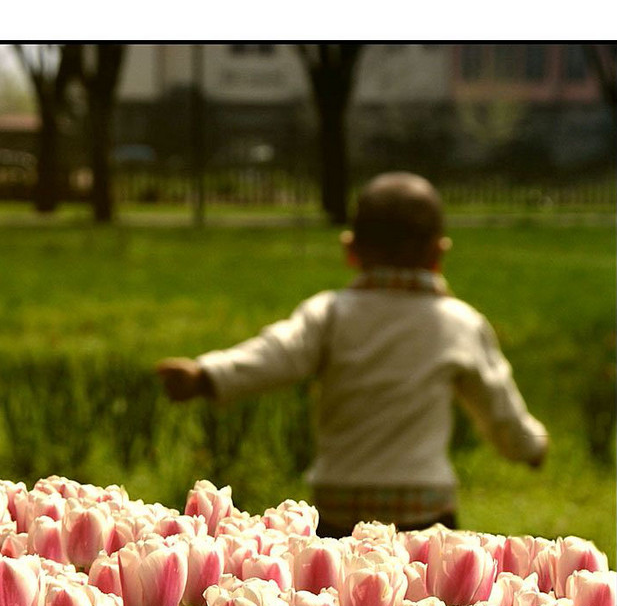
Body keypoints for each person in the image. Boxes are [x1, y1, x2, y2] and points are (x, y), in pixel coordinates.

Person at [156, 172, 548, 537]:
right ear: (439, 252)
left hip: (340, 502)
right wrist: (528, 446)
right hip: (424, 504)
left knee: (341, 602)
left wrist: (205, 375)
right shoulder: (458, 323)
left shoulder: (330, 314)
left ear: (350, 249)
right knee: (429, 603)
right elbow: (497, 404)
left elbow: (274, 355)